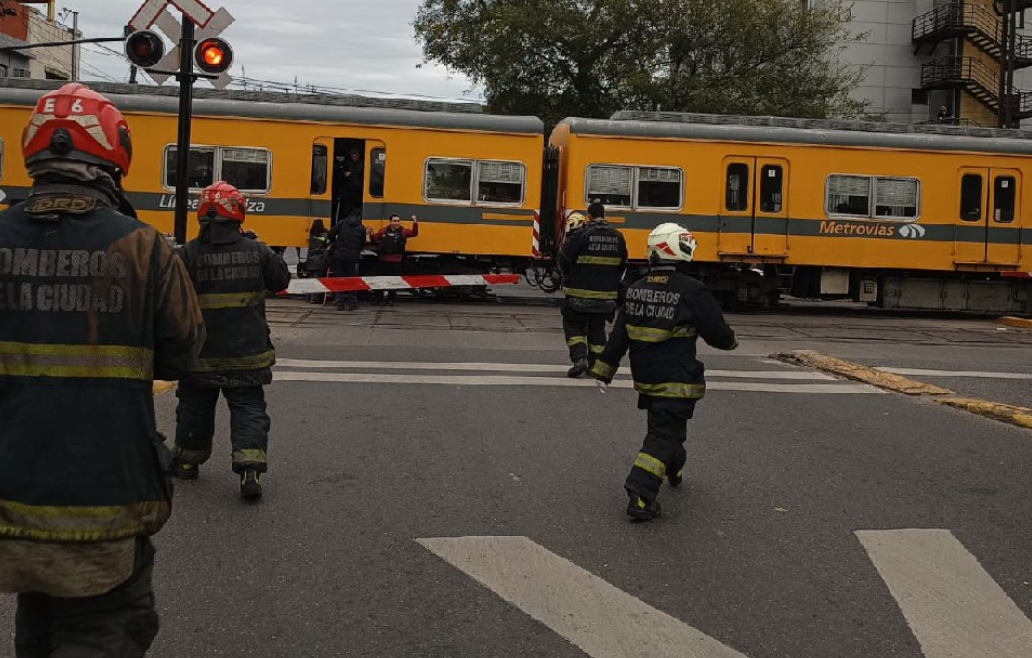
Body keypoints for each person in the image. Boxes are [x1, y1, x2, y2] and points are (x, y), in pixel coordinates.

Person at [0, 83, 205, 657]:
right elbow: (182, 353)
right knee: (103, 626)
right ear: (114, 153)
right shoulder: (143, 247)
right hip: (107, 491)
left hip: (11, 488)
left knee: (38, 612)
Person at [591, 223, 738, 522]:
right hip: (679, 380)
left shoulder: (635, 289)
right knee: (662, 435)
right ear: (681, 250)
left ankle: (675, 465)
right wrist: (732, 341)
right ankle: (641, 494)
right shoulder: (692, 290)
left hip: (647, 379)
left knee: (668, 429)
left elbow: (619, 335)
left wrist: (604, 370)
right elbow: (719, 335)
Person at [172, 181, 291, 500]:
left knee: (194, 406)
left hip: (199, 355)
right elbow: (281, 281)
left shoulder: (186, 255)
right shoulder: (256, 251)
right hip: (247, 352)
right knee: (249, 407)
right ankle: (249, 470)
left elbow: (169, 299)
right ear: (238, 213)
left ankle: (186, 462)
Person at [557, 202, 627, 377]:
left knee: (574, 327)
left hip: (578, 295)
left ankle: (579, 359)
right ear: (604, 215)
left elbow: (563, 261)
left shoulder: (581, 235)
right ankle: (595, 365)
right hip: (606, 298)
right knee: (597, 329)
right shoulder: (618, 237)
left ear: (588, 216)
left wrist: (567, 275)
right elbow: (623, 266)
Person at [371, 213, 418, 306]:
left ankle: (391, 299)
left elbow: (414, 233)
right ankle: (378, 298)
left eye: (398, 221)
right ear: (390, 222)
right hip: (383, 260)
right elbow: (375, 240)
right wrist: (371, 233)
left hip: (396, 260)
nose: (396, 223)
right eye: (394, 221)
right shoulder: (383, 231)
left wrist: (415, 222)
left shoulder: (403, 231)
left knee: (393, 281)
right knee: (380, 280)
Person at [328, 208, 367, 310]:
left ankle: (340, 302)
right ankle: (352, 303)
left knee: (340, 279)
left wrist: (335, 243)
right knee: (353, 280)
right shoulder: (362, 228)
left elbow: (330, 233)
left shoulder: (341, 223)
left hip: (340, 255)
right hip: (353, 257)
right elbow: (363, 243)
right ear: (359, 217)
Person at [341, 147, 364, 218]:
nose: (354, 156)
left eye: (356, 154)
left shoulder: (363, 163)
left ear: (359, 155)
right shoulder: (346, 162)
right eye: (353, 154)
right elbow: (339, 173)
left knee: (359, 208)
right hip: (348, 191)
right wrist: (344, 174)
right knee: (347, 209)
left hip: (360, 191)